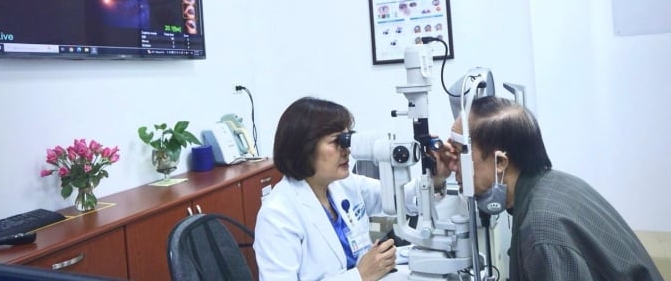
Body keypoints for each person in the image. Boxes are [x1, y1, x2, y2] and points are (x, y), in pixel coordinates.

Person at [438, 95, 663, 281]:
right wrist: (438, 178)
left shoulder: (542, 229)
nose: (454, 164)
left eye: (460, 153)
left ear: (500, 162)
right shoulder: (555, 184)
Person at [254, 97, 454, 281]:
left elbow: (398, 198)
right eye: (337, 142)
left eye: (348, 139)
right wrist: (360, 276)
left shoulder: (344, 185)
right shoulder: (278, 214)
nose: (347, 149)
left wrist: (435, 177)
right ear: (305, 148)